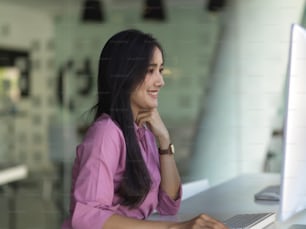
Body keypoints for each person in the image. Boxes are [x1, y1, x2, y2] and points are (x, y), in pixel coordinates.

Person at [62, 29, 228, 229]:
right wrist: (176, 228)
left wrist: (164, 140)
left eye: (160, 70)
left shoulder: (144, 133)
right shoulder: (106, 133)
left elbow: (168, 205)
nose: (160, 81)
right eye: (150, 71)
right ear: (125, 74)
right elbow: (89, 218)